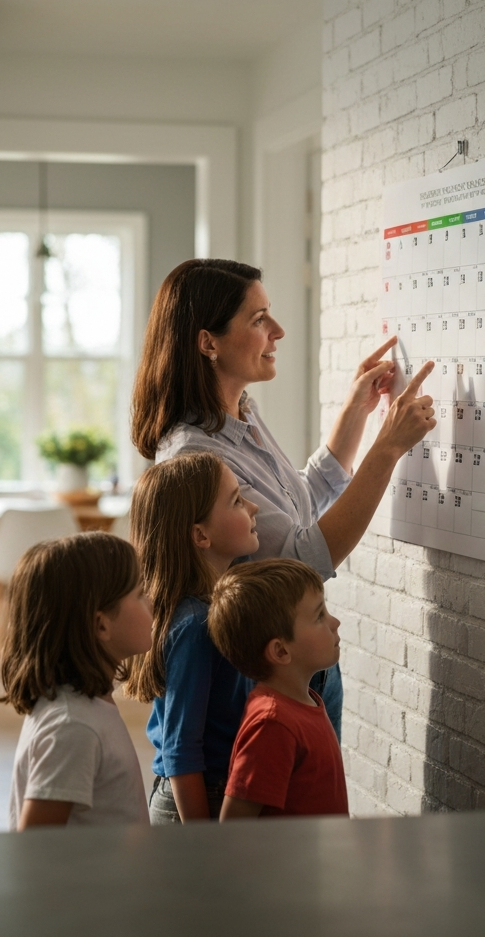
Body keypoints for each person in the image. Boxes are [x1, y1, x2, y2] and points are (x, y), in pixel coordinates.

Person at [131, 258, 435, 739]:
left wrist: (357, 411)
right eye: (258, 319)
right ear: (208, 342)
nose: (278, 330)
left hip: (301, 662)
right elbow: (302, 559)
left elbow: (301, 503)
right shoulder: (194, 454)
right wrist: (388, 447)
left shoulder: (242, 416)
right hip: (263, 676)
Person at [124, 452, 260, 824]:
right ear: (201, 535)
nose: (254, 506)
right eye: (236, 500)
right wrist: (203, 842)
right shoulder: (196, 625)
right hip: (198, 799)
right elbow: (181, 749)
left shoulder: (215, 600)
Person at [0, 531, 153, 830]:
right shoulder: (72, 727)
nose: (152, 599)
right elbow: (36, 844)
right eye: (140, 593)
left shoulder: (88, 708)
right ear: (101, 625)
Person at [207, 558, 348, 819]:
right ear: (281, 650)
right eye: (319, 616)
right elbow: (234, 825)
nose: (334, 622)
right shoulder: (273, 724)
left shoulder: (307, 700)